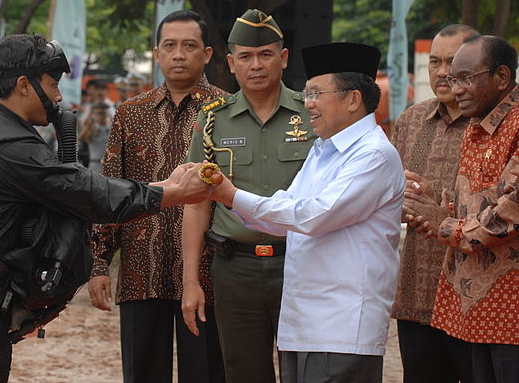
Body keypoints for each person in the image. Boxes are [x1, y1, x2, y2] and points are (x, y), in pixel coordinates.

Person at [0, 34, 216, 382]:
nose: (57, 96)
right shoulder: (14, 150)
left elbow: (77, 186)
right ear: (25, 86)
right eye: (52, 84)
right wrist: (176, 194)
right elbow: (91, 195)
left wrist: (168, 187)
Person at [204, 42, 404, 383]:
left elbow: (313, 215)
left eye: (315, 93)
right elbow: (284, 211)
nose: (307, 104)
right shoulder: (323, 149)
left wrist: (232, 194)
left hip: (341, 326)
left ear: (353, 99)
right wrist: (225, 196)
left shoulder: (373, 155)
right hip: (304, 322)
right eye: (306, 93)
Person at [89, 10, 226, 383]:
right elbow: (110, 190)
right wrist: (100, 263)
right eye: (170, 46)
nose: (179, 54)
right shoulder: (130, 114)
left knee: (208, 371)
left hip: (208, 274)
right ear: (156, 53)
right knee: (142, 372)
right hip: (140, 269)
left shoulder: (228, 113)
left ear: (208, 53)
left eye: (189, 46)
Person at [181, 8, 315, 383]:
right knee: (243, 372)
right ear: (231, 63)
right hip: (235, 271)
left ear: (283, 58)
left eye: (266, 54)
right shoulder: (212, 121)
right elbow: (196, 206)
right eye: (246, 57)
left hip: (303, 265)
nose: (256, 65)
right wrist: (190, 281)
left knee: (306, 370)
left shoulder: (313, 116)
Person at [404, 35, 519, 383]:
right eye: (453, 80)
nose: (456, 89)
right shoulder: (475, 127)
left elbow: (508, 215)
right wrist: (430, 205)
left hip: (511, 312)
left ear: (501, 77)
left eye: (466, 78)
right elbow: (465, 207)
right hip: (471, 312)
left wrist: (445, 225)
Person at [390, 25, 479, 383]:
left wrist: (443, 215)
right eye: (435, 62)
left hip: (476, 298)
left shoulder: (494, 125)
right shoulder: (410, 120)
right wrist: (408, 207)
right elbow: (387, 198)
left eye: (453, 63)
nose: (442, 73)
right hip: (417, 294)